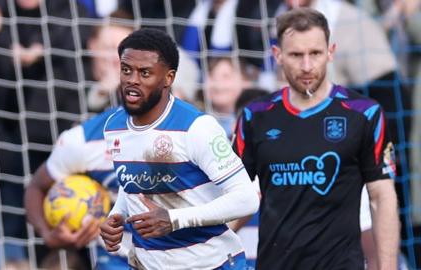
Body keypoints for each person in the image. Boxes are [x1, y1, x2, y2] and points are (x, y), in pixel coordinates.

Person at [25, 28, 258, 269]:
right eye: (126, 70)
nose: (132, 80)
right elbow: (134, 186)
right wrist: (115, 217)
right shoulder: (114, 127)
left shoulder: (197, 128)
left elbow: (246, 199)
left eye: (145, 73)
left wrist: (174, 219)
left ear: (168, 78)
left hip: (214, 264)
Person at [233, 7, 399, 269]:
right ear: (278, 55)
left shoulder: (364, 113)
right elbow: (235, 195)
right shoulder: (255, 116)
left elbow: (382, 197)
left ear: (330, 52)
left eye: (315, 54)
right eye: (296, 55)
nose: (307, 65)